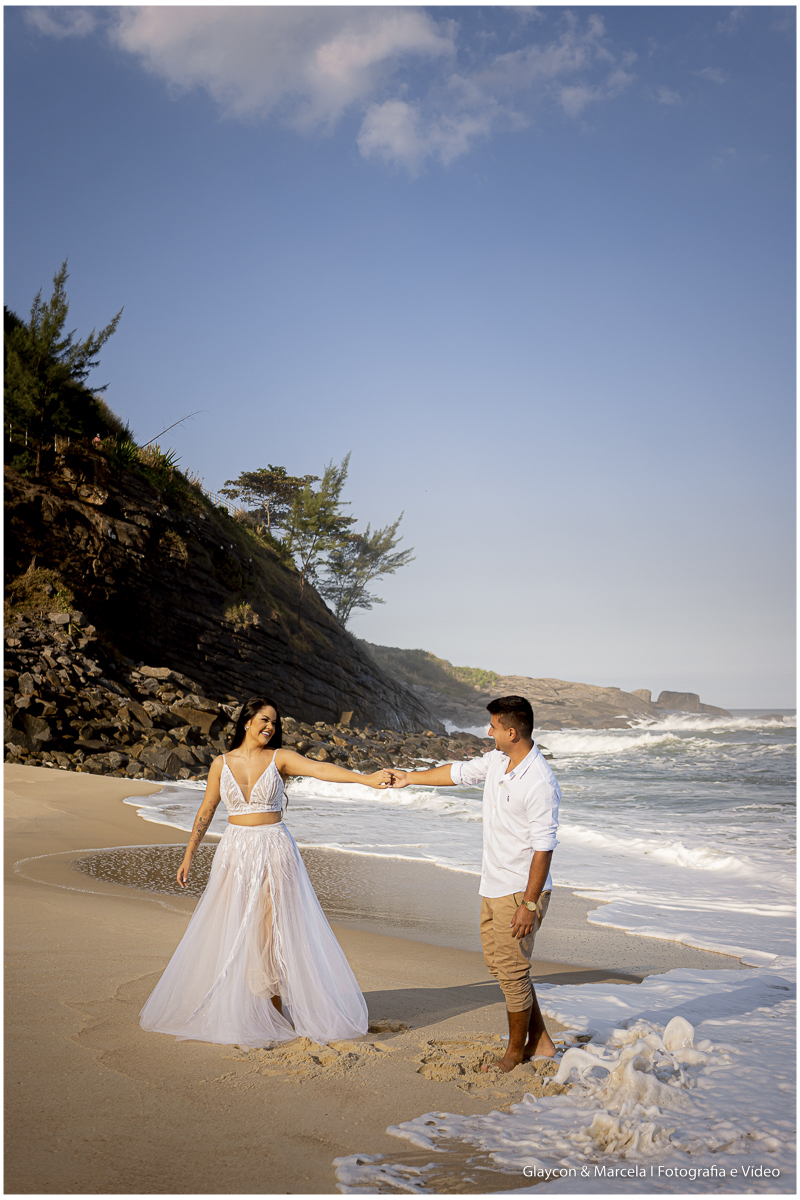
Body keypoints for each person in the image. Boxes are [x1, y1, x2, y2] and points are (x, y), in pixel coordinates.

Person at [140, 695, 392, 1047]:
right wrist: (189, 855)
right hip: (235, 850)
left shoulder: (280, 758)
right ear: (246, 722)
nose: (270, 726)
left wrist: (365, 779)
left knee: (270, 931)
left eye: (274, 721)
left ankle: (273, 1008)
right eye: (264, 720)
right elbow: (207, 809)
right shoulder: (221, 763)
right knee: (233, 927)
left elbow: (321, 770)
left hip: (274, 848)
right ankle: (244, 1006)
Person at [389, 695, 559, 1073]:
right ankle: (542, 1041)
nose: (489, 731)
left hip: (519, 890)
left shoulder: (540, 781)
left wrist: (529, 904)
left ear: (511, 732)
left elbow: (544, 847)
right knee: (501, 968)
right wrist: (410, 777)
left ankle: (516, 1053)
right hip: (494, 883)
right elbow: (458, 772)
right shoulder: (499, 760)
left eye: (494, 726)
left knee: (513, 972)